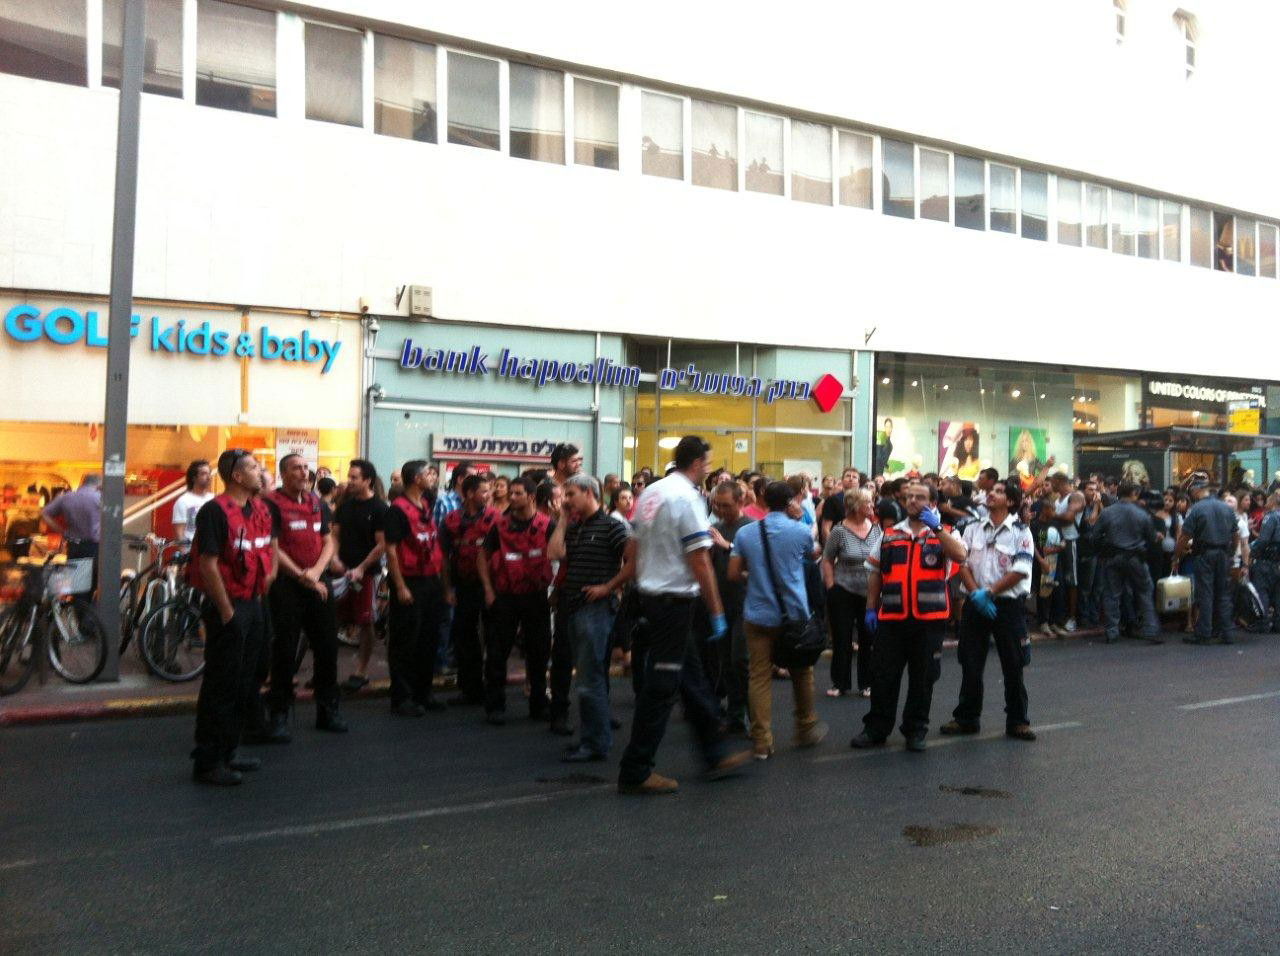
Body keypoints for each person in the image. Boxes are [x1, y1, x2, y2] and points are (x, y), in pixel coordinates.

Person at [617, 435, 752, 795]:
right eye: (706, 464)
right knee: (662, 687)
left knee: (692, 679)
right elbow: (700, 560)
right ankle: (636, 768)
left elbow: (632, 546)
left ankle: (715, 752)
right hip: (673, 601)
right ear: (697, 463)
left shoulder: (651, 493)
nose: (707, 470)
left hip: (652, 596)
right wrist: (718, 611)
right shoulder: (687, 498)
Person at [851, 480, 966, 752]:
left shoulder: (946, 532)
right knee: (883, 677)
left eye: (920, 497)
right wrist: (870, 608)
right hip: (892, 619)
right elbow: (876, 573)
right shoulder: (889, 534)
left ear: (933, 504)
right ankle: (876, 728)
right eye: (909, 497)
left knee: (923, 678)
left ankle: (915, 730)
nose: (912, 501)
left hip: (929, 621)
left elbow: (960, 555)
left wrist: (936, 527)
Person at [188, 449, 275, 786]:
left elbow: (264, 550)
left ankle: (230, 749)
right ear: (238, 476)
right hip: (229, 606)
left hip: (253, 603)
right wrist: (227, 612)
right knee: (221, 684)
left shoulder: (256, 510)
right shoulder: (214, 511)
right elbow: (207, 565)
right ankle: (208, 759)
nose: (260, 471)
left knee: (246, 680)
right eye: (254, 467)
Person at [728, 480, 828, 760]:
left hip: (758, 613)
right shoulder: (799, 531)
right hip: (794, 612)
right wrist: (799, 517)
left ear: (763, 499)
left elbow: (734, 574)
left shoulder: (746, 533)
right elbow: (811, 555)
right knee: (802, 671)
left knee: (758, 675)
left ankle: (762, 741)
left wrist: (755, 575)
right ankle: (806, 725)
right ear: (790, 502)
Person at [940, 479, 1036, 741]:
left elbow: (1021, 569)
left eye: (999, 491)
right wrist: (976, 593)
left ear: (1012, 501)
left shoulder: (1021, 532)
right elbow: (963, 562)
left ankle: (1018, 721)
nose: (992, 494)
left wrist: (990, 592)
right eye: (991, 491)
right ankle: (967, 717)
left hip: (1007, 605)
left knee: (1013, 664)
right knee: (970, 662)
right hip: (976, 603)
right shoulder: (972, 528)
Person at [548, 474, 633, 762]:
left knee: (590, 678)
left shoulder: (611, 526)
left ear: (588, 492)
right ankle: (591, 738)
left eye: (570, 494)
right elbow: (554, 552)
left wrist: (609, 587)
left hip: (595, 610)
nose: (566, 500)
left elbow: (635, 559)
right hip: (574, 608)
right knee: (586, 677)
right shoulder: (574, 527)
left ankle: (596, 743)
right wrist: (562, 519)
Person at [262, 453, 348, 738]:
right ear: (283, 474)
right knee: (284, 650)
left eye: (305, 468)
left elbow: (328, 542)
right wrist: (302, 575)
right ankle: (279, 713)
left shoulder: (316, 503)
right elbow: (273, 548)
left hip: (317, 582)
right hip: (287, 585)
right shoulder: (270, 504)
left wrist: (316, 572)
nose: (303, 472)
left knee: (327, 647)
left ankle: (327, 709)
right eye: (296, 468)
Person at [477, 476, 554, 726]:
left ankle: (539, 704)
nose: (511, 497)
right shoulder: (500, 526)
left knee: (538, 652)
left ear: (531, 497)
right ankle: (495, 705)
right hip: (505, 597)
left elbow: (563, 556)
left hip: (536, 596)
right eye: (510, 493)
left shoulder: (546, 525)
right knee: (497, 653)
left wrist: (557, 591)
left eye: (517, 494)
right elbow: (482, 557)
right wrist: (488, 589)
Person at [383, 460, 450, 716]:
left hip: (430, 580)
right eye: (428, 474)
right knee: (405, 641)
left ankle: (424, 693)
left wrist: (444, 587)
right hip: (409, 582)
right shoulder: (398, 510)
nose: (433, 477)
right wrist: (399, 586)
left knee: (428, 639)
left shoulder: (425, 504)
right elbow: (391, 549)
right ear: (415, 478)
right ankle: (402, 698)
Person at [440, 473, 497, 706]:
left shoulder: (496, 519)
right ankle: (470, 688)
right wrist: (447, 589)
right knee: (465, 636)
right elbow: (444, 557)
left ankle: (494, 689)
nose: (489, 496)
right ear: (470, 493)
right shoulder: (452, 520)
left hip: (493, 586)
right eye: (484, 491)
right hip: (463, 585)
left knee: (494, 637)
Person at [332, 460, 389, 692]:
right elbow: (335, 535)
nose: (350, 481)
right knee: (333, 621)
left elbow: (381, 544)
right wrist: (334, 559)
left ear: (367, 480)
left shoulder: (380, 508)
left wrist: (362, 567)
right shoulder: (344, 507)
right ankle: (326, 672)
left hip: (366, 575)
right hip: (342, 574)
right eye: (349, 476)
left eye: (355, 477)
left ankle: (361, 671)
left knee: (366, 623)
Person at [822, 489, 881, 698]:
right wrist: (831, 586)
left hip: (870, 591)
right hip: (843, 589)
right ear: (856, 507)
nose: (872, 507)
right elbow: (827, 559)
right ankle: (840, 683)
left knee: (868, 638)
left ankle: (867, 683)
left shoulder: (876, 529)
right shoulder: (839, 531)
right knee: (842, 638)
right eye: (868, 504)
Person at [1092, 482, 1162, 644]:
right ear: (1134, 493)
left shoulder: (1108, 512)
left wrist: (1102, 553)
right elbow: (1151, 538)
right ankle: (1151, 629)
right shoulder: (1141, 514)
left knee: (1111, 594)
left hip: (1113, 557)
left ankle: (1112, 632)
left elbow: (1095, 536)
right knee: (1144, 591)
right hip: (1136, 557)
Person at [708, 480, 752, 731]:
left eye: (726, 505)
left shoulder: (751, 529)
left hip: (746, 602)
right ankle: (735, 715)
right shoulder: (714, 527)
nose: (722, 510)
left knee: (740, 660)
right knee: (725, 661)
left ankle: (752, 716)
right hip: (721, 602)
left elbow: (756, 564)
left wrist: (727, 546)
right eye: (717, 505)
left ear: (740, 502)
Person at [1176, 482, 1240, 645]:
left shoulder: (1197, 508)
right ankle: (1227, 632)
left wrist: (1176, 556)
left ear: (1198, 491)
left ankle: (1204, 632)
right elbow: (1235, 534)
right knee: (1223, 594)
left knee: (1205, 593)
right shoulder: (1226, 508)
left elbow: (1185, 536)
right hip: (1223, 554)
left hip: (1204, 554)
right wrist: (1231, 552)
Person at [41, 474, 102, 586]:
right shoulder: (100, 498)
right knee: (94, 584)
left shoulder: (66, 497)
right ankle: (89, 603)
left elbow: (45, 514)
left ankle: (77, 602)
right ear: (98, 484)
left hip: (74, 545)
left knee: (77, 584)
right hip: (95, 546)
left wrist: (61, 530)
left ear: (83, 482)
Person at [1251, 492, 1280, 632]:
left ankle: (1262, 623)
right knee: (1278, 592)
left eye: (1268, 500)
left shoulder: (1270, 517)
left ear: (1273, 503)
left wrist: (1253, 552)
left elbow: (1263, 540)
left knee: (1262, 589)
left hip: (1267, 559)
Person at [172, 460, 213, 545]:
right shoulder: (183, 501)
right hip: (192, 550)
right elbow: (179, 534)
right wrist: (185, 555)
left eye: (209, 473)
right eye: (204, 474)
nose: (208, 477)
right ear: (194, 478)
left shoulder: (214, 499)